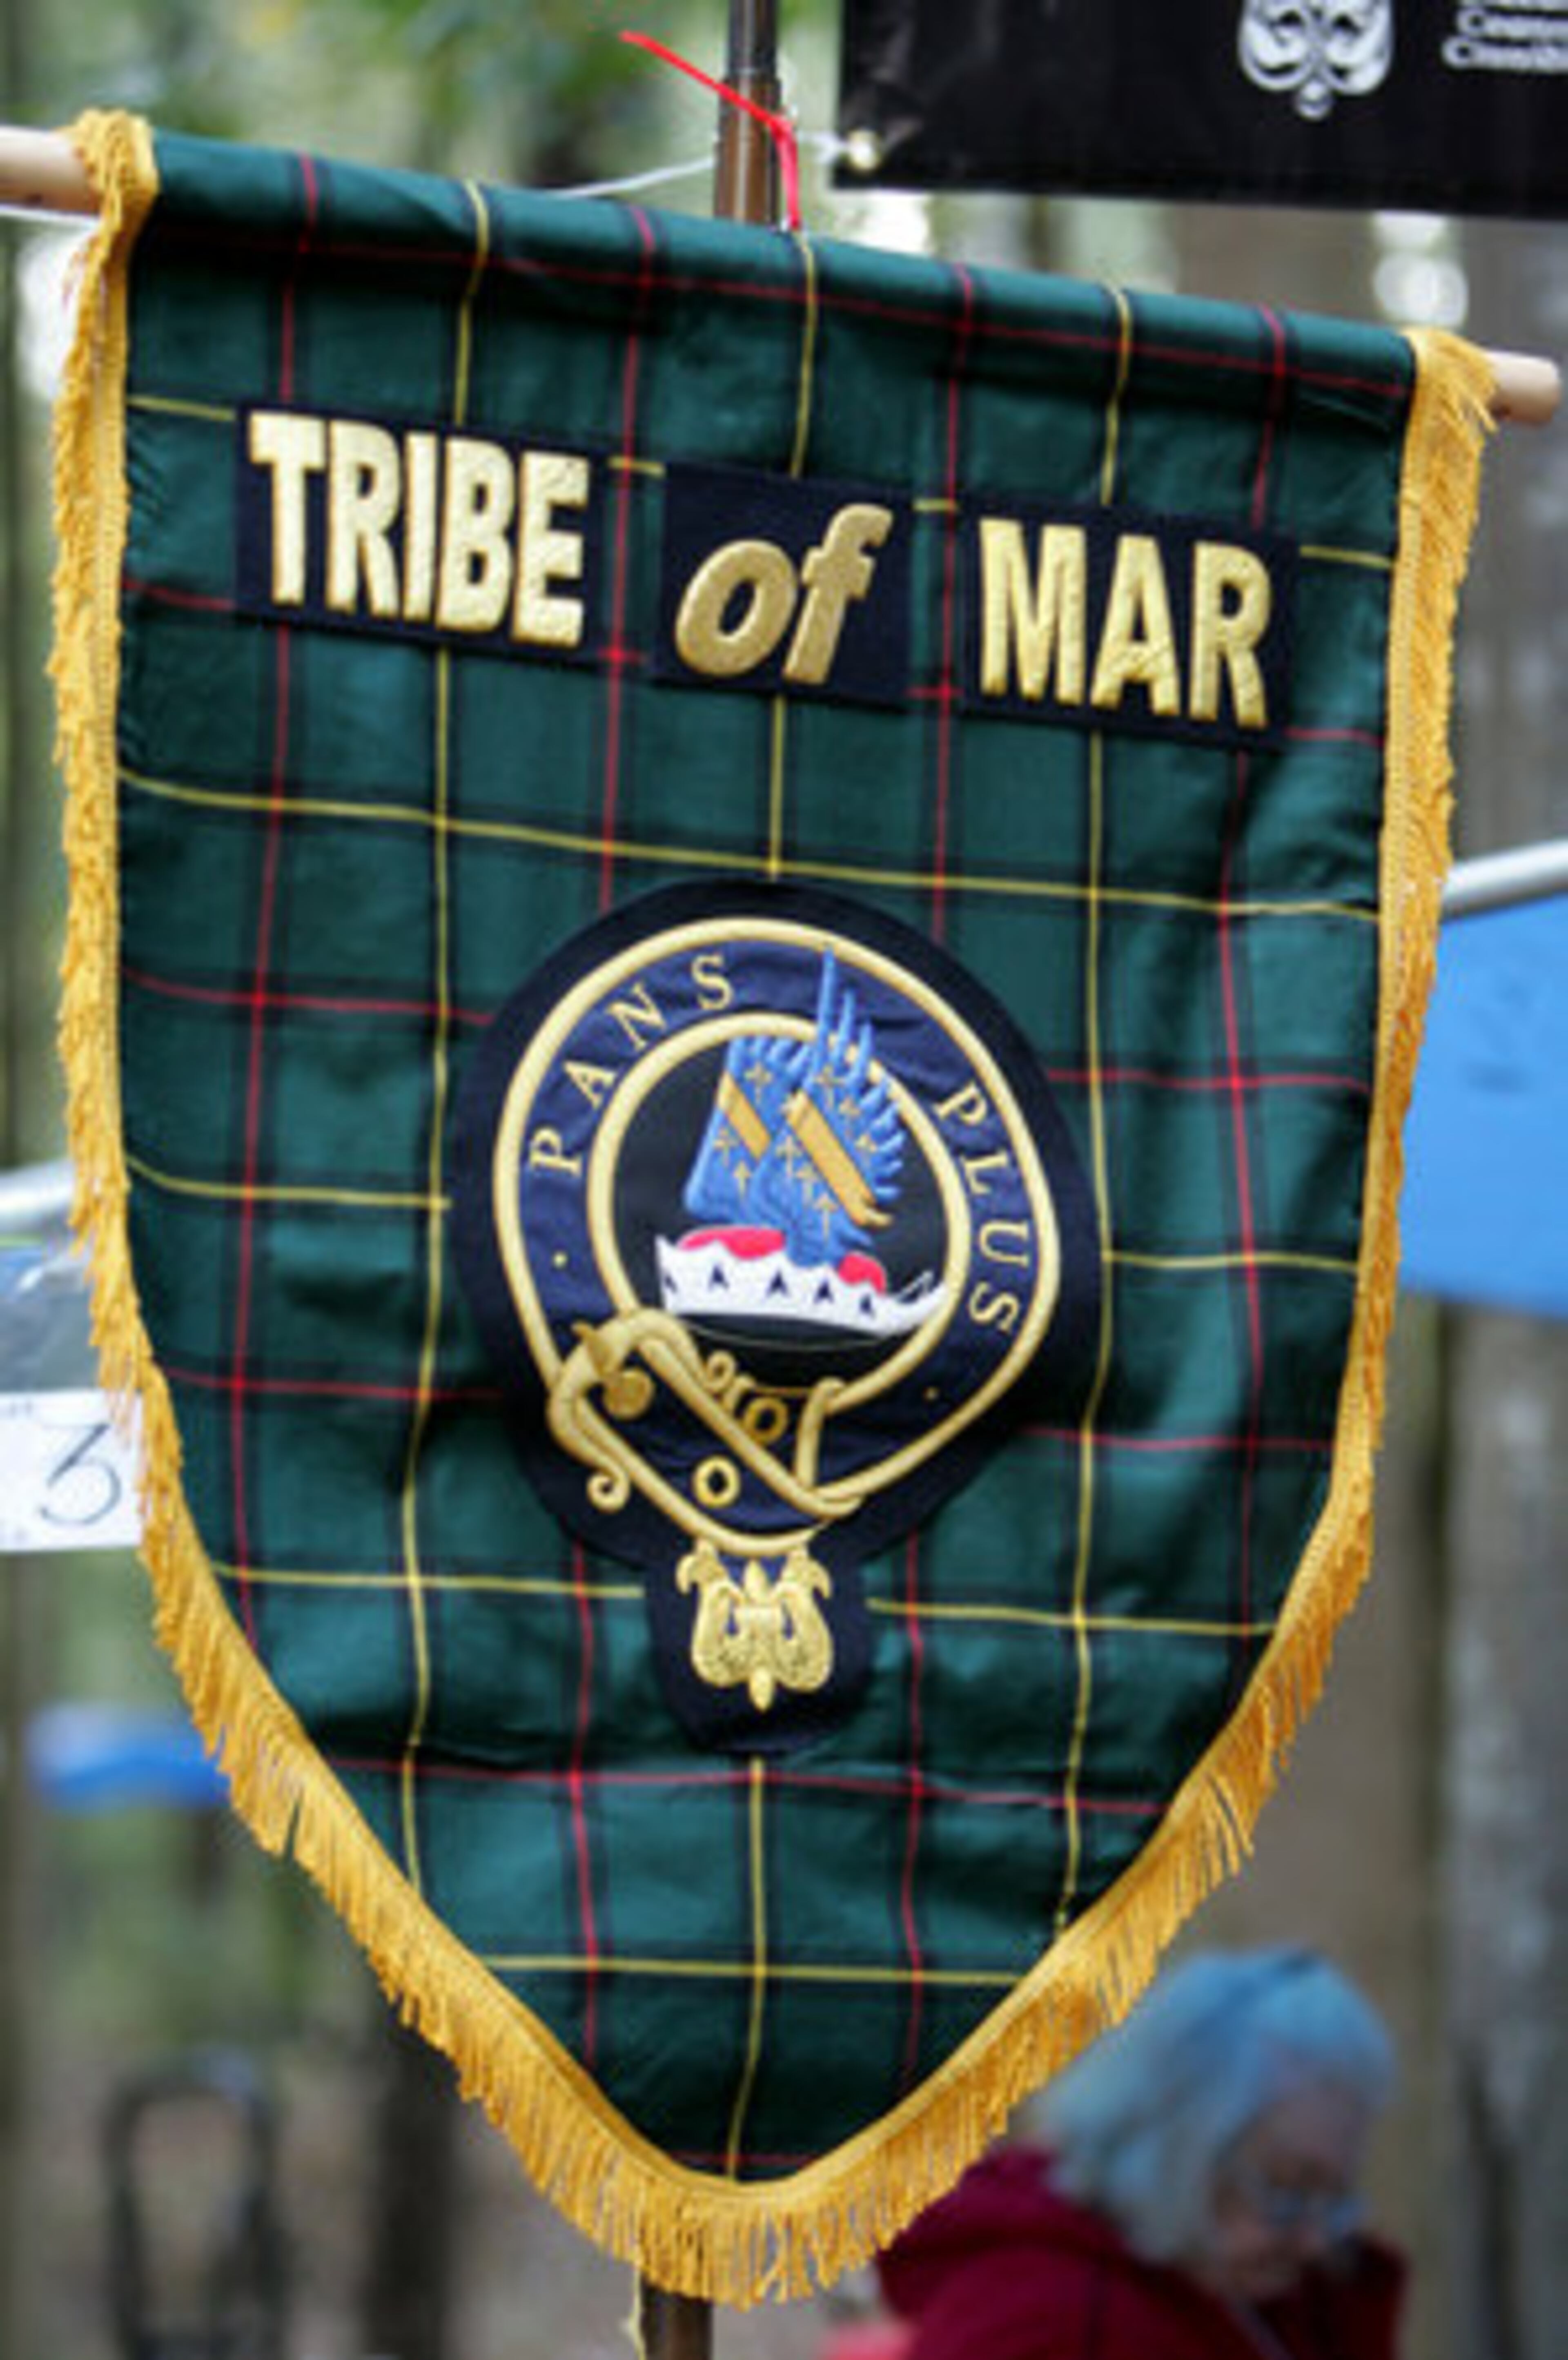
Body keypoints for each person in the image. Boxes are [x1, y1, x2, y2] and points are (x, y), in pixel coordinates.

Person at [871, 1947, 1405, 2360]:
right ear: (1179, 2151)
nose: (1315, 2241)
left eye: (1333, 2199)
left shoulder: (1246, 2292)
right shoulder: (1051, 2328)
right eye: (1285, 2189)